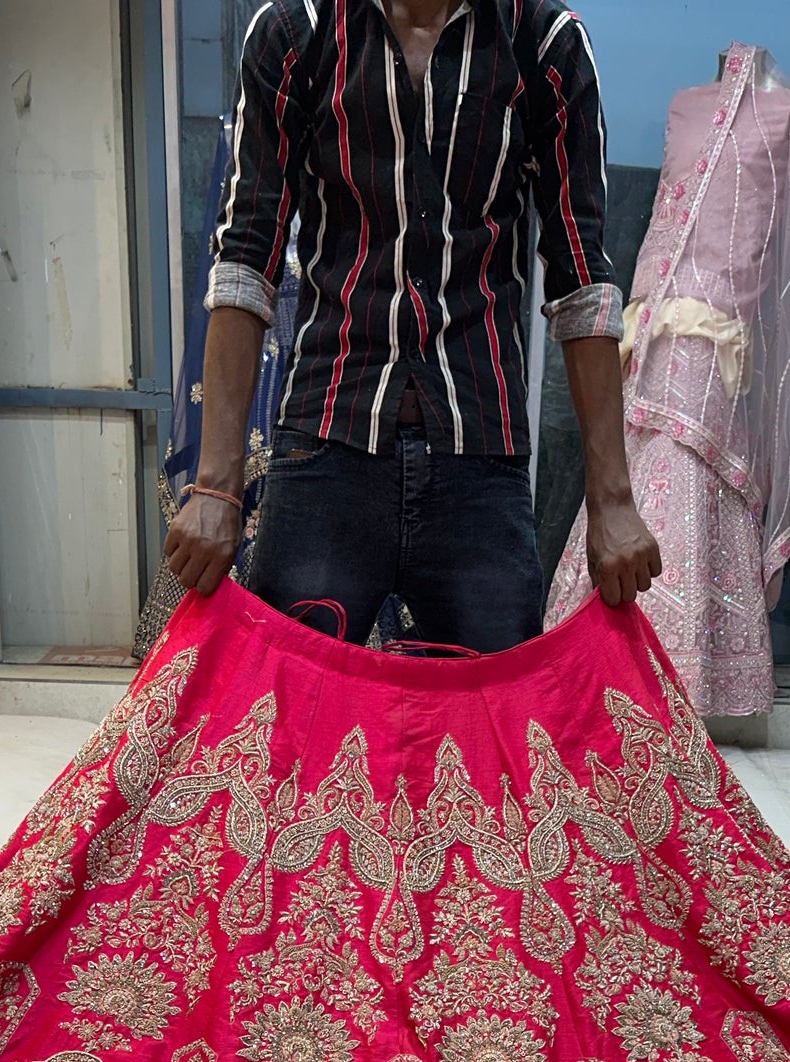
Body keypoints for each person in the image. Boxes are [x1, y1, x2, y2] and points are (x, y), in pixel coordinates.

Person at [163, 0, 661, 651]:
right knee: (292, 723)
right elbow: (243, 263)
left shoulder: (542, 42)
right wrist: (216, 487)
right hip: (325, 446)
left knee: (493, 730)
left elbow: (582, 277)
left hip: (479, 455)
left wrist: (613, 501)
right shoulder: (295, 35)